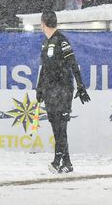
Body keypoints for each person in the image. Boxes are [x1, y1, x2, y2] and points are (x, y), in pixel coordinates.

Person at [37, 10, 90, 173]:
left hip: (63, 89)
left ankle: (56, 160)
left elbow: (73, 63)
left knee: (61, 126)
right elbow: (44, 68)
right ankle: (67, 162)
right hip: (50, 90)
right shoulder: (45, 43)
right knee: (56, 126)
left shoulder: (61, 40)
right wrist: (39, 88)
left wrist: (81, 86)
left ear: (42, 23)